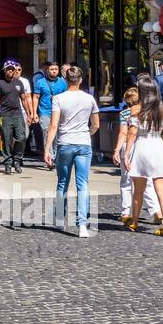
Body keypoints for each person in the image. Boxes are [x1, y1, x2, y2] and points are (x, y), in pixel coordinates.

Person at [42, 65, 99, 238]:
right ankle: (82, 225)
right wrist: (86, 134)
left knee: (62, 183)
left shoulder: (58, 98)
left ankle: (60, 218)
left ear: (66, 80)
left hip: (65, 143)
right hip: (83, 143)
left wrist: (47, 149)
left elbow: (53, 125)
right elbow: (96, 124)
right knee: (83, 185)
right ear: (81, 80)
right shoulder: (89, 99)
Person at [124, 75, 163, 238]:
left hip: (142, 147)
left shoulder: (136, 110)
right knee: (161, 190)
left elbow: (132, 133)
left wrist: (126, 153)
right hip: (157, 147)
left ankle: (134, 221)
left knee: (138, 189)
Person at [112, 86, 159, 224]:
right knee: (147, 180)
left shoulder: (125, 114)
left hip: (129, 146)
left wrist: (117, 150)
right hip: (144, 145)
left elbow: (123, 133)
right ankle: (155, 211)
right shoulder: (147, 112)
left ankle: (126, 212)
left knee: (126, 181)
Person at [0, 61, 28, 174]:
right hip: (5, 115)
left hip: (18, 115)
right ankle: (8, 162)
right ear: (4, 70)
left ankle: (17, 160)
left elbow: (24, 99)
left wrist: (29, 114)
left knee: (21, 138)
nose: (11, 71)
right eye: (8, 69)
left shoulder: (19, 83)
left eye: (12, 69)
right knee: (6, 140)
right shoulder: (0, 84)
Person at [32, 62, 67, 156]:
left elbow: (66, 97)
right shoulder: (40, 82)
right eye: (52, 69)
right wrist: (34, 113)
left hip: (59, 112)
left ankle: (55, 155)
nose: (54, 71)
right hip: (44, 111)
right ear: (47, 70)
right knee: (46, 132)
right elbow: (35, 97)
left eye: (56, 69)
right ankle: (50, 156)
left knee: (56, 135)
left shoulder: (62, 83)